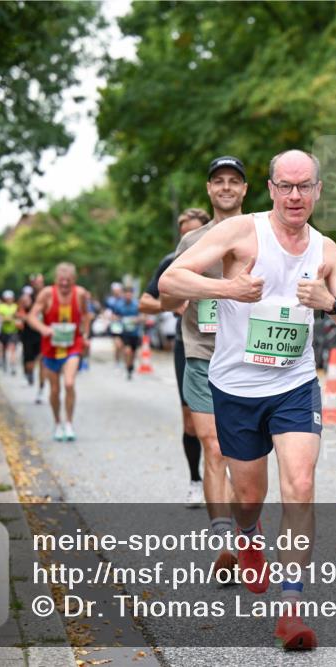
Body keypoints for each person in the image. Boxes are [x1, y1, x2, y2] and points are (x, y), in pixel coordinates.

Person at [160, 149, 336, 650]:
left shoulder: (326, 249)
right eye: (285, 186)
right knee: (249, 497)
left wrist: (331, 303)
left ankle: (291, 609)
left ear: (317, 191)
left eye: (305, 186)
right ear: (271, 189)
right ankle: (248, 536)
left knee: (299, 483)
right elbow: (170, 281)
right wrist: (227, 287)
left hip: (295, 386)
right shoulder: (240, 232)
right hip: (234, 387)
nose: (295, 196)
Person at [157, 157, 249, 576]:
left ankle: (247, 528)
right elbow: (167, 296)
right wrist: (209, 290)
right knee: (213, 447)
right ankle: (224, 542)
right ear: (209, 190)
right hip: (202, 354)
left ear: (245, 189)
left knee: (245, 456)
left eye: (234, 181)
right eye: (218, 182)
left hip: (251, 359)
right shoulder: (191, 242)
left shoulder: (263, 233)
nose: (226, 188)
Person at [140, 208, 211, 507]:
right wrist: (171, 305)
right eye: (184, 235)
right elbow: (145, 302)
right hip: (188, 346)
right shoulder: (171, 262)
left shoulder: (227, 256)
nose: (188, 241)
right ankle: (196, 480)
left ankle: (222, 476)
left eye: (194, 234)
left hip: (226, 347)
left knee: (227, 419)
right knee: (191, 420)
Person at [28, 262, 92, 442]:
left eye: (69, 281)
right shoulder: (47, 293)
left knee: (69, 384)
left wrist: (85, 334)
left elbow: (86, 315)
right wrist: (43, 328)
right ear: (56, 280)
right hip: (51, 347)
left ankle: (69, 424)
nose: (65, 284)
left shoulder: (79, 294)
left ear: (74, 280)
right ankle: (57, 423)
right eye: (61, 280)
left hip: (73, 345)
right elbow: (31, 316)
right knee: (54, 390)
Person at [111, 285, 143, 380]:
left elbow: (143, 317)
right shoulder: (119, 305)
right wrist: (119, 319)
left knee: (133, 353)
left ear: (132, 294)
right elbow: (113, 316)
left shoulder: (137, 304)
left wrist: (136, 319)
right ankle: (126, 366)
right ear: (124, 294)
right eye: (126, 294)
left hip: (135, 333)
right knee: (127, 351)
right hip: (124, 332)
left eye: (130, 294)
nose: (128, 296)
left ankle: (130, 367)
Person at [0, 290, 20, 374]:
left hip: (14, 331)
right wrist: (9, 318)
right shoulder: (1, 306)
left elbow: (19, 316)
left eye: (10, 298)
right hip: (4, 331)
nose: (9, 300)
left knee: (13, 348)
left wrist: (8, 318)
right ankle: (4, 362)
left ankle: (13, 366)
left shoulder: (16, 306)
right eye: (7, 298)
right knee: (4, 348)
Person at [105, 283, 126, 368]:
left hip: (124, 324)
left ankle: (121, 360)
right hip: (115, 325)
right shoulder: (109, 301)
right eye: (115, 291)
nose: (116, 292)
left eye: (118, 290)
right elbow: (107, 312)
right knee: (118, 344)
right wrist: (110, 317)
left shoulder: (124, 300)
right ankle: (117, 361)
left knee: (123, 345)